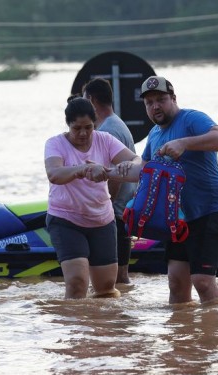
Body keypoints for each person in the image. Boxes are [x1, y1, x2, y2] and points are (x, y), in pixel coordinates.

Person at [139, 75, 218, 304]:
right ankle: (183, 339)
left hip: (209, 210)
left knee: (202, 280)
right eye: (149, 103)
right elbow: (143, 170)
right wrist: (112, 171)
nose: (155, 107)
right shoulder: (154, 134)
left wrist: (184, 143)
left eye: (161, 99)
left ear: (173, 98)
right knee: (176, 281)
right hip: (177, 218)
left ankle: (214, 336)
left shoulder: (192, 119)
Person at [44, 97, 141, 299]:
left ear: (94, 123)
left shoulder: (105, 139)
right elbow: (54, 174)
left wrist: (127, 165)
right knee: (78, 282)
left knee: (106, 287)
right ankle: (74, 329)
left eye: (88, 127)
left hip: (102, 220)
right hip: (66, 220)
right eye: (76, 128)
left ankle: (100, 327)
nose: (83, 133)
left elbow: (137, 161)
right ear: (68, 125)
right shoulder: (55, 144)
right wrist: (84, 169)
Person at [81, 78, 138, 284]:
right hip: (123, 209)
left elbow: (114, 176)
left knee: (116, 277)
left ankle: (118, 314)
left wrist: (105, 205)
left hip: (115, 212)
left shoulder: (107, 131)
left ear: (92, 99)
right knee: (119, 276)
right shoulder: (115, 124)